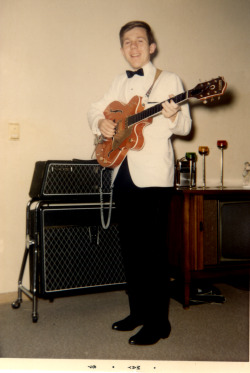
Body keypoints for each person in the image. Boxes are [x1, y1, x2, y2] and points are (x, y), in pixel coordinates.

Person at [88, 21, 192, 345]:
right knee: (130, 249)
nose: (134, 47)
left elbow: (186, 126)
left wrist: (173, 114)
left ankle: (158, 322)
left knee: (153, 252)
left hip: (154, 177)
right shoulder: (119, 82)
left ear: (151, 47)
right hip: (123, 173)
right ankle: (137, 312)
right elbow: (95, 109)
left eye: (140, 41)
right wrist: (101, 121)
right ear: (122, 49)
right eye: (127, 42)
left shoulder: (170, 80)